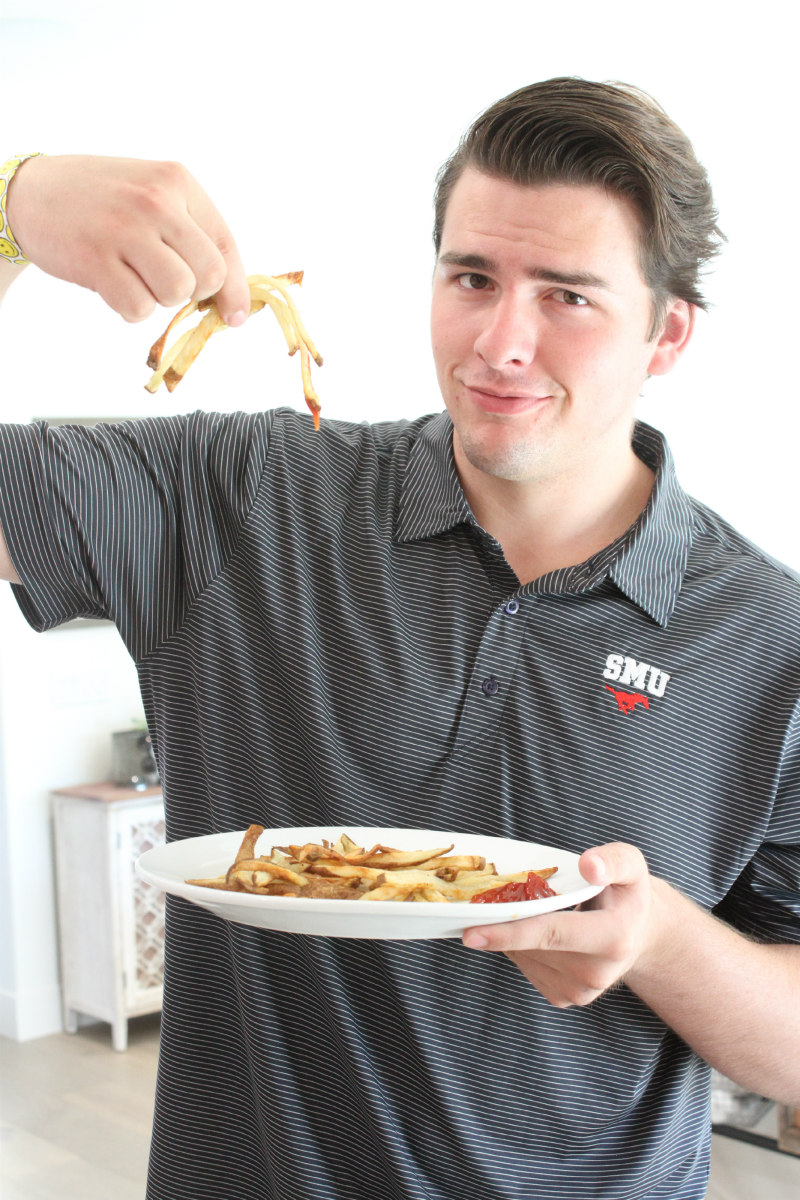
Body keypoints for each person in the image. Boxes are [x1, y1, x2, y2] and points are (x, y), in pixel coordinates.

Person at [1, 77, 799, 1200]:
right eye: (470, 278)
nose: (499, 343)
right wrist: (11, 208)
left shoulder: (769, 637)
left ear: (665, 334)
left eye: (565, 296)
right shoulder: (244, 497)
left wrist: (658, 942)